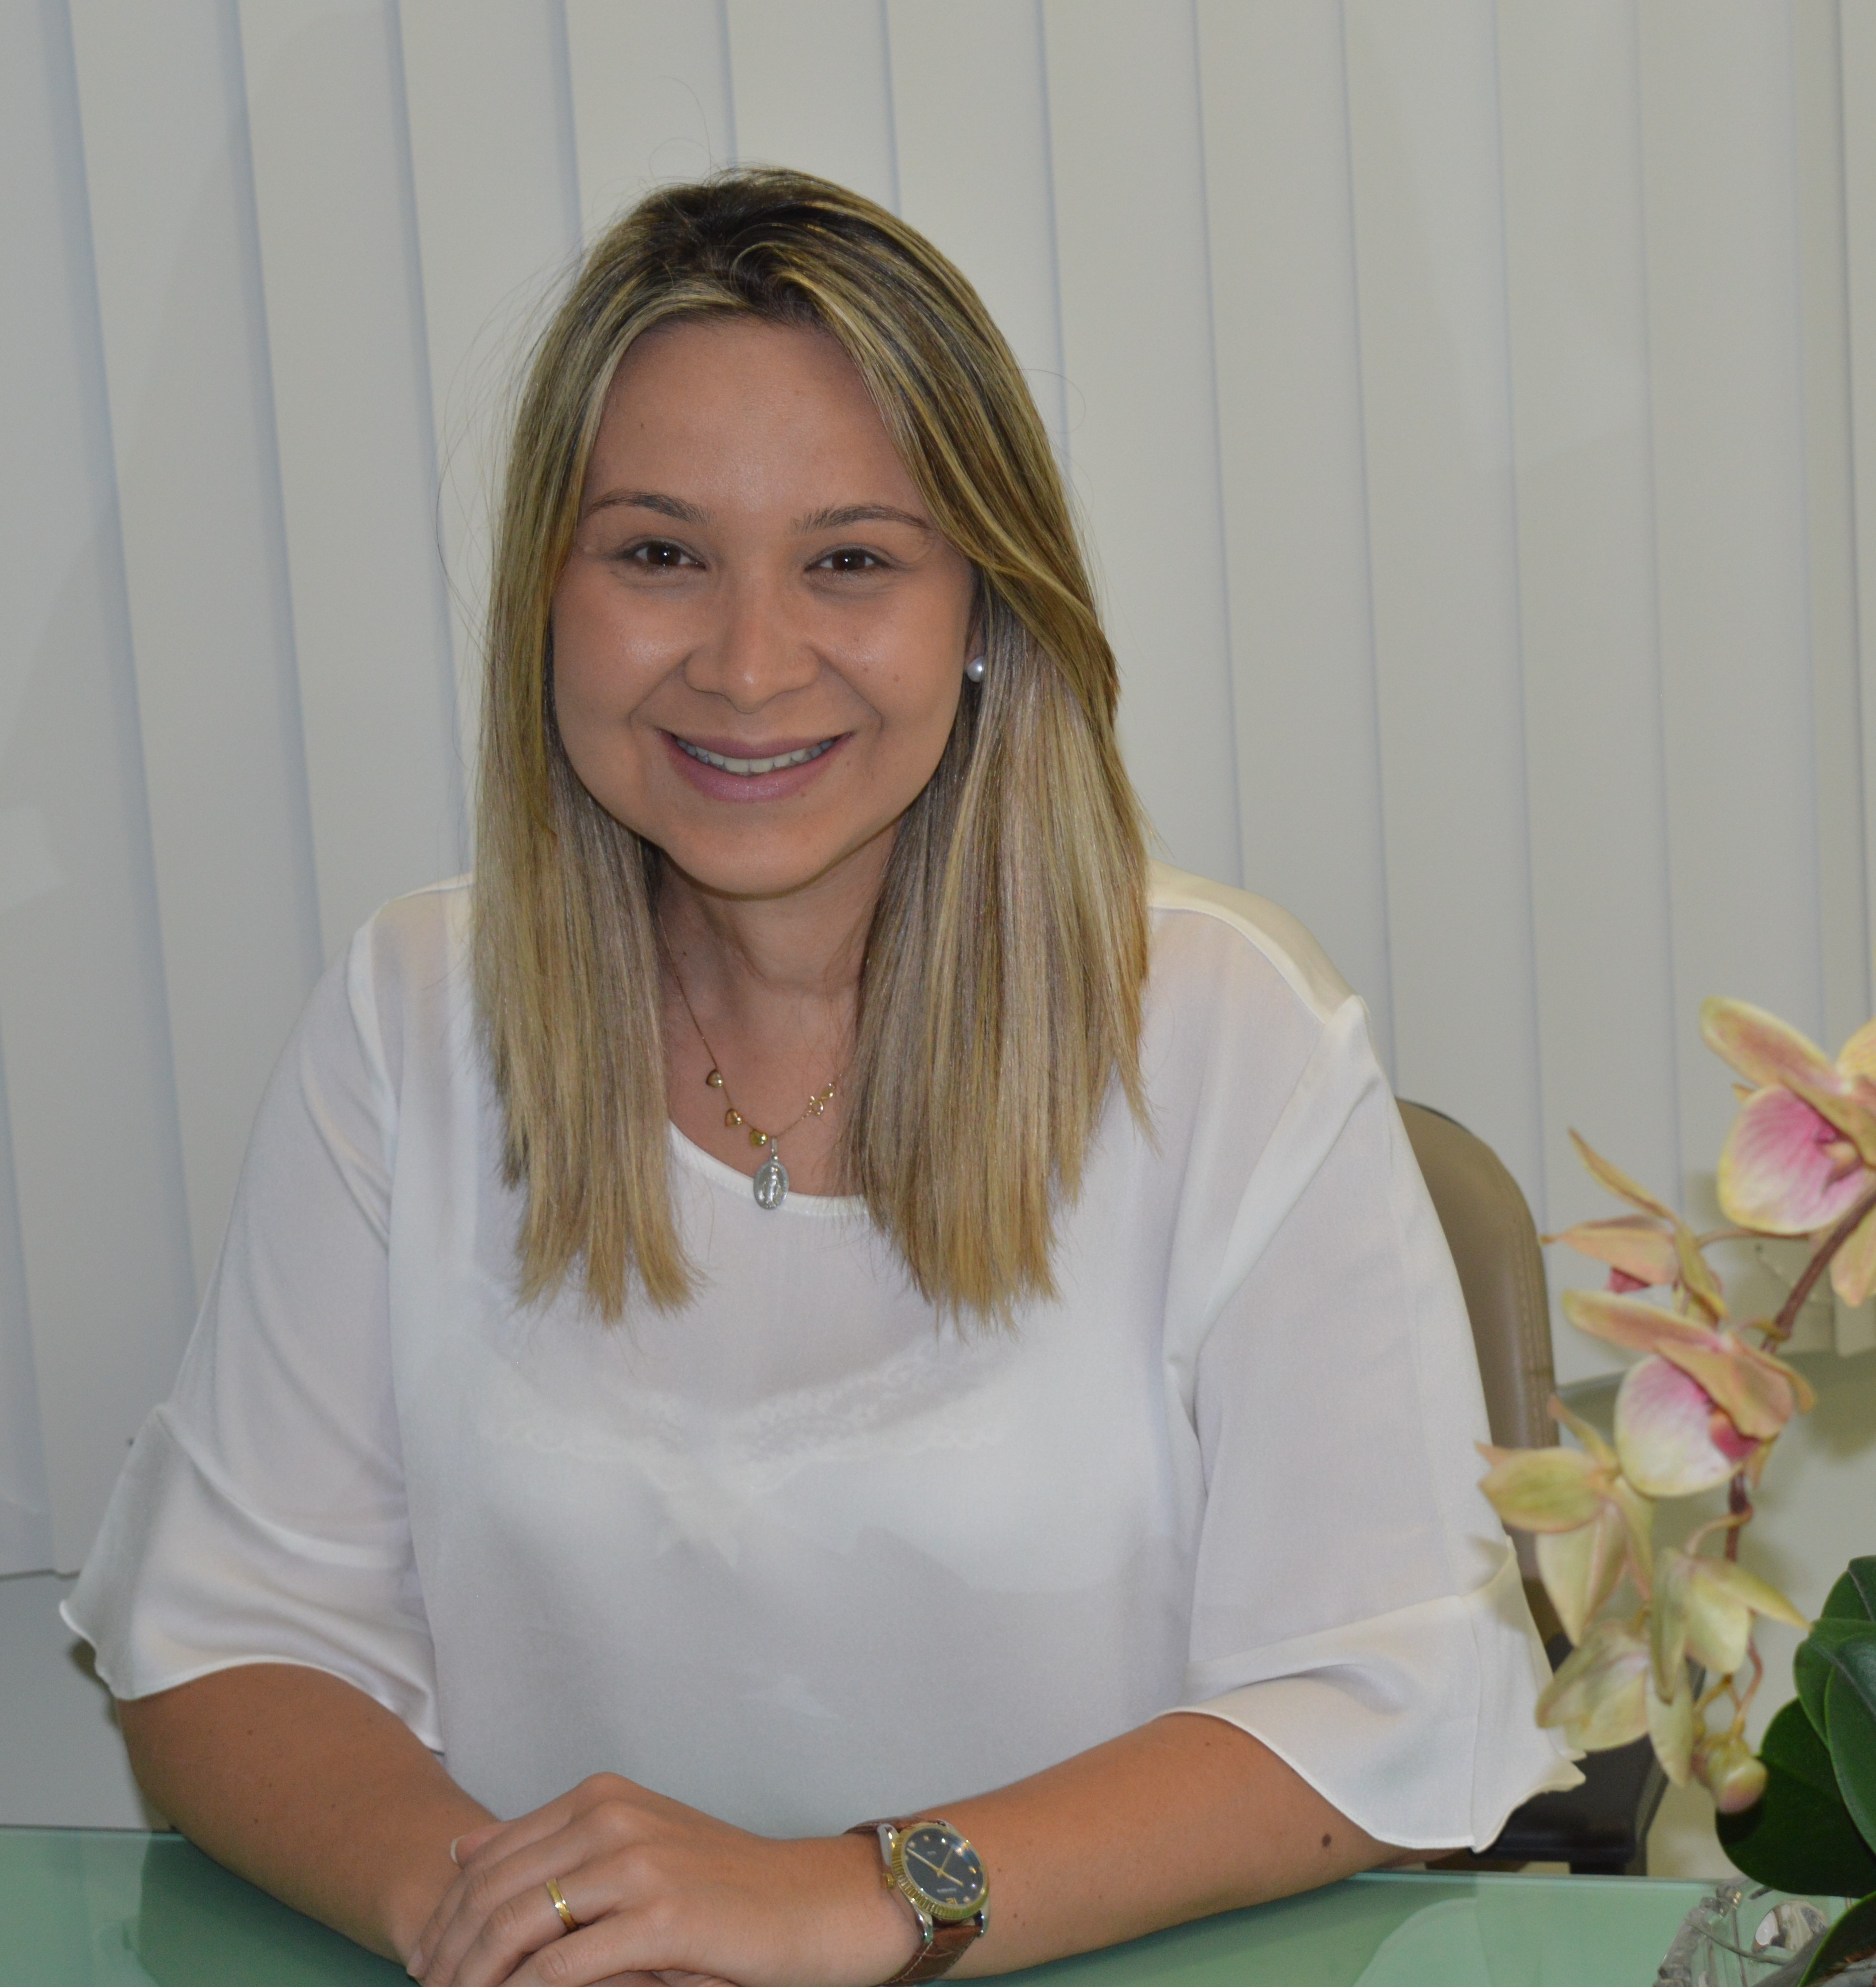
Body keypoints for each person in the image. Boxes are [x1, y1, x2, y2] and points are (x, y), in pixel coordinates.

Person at [64, 168, 1576, 1987]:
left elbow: (1391, 1700)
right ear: (548, 599)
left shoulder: (1227, 1031)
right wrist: (528, 1923)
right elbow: (230, 1636)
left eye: (851, 559)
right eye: (659, 554)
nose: (748, 662)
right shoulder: (416, 1016)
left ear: (986, 608)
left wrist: (852, 1899)